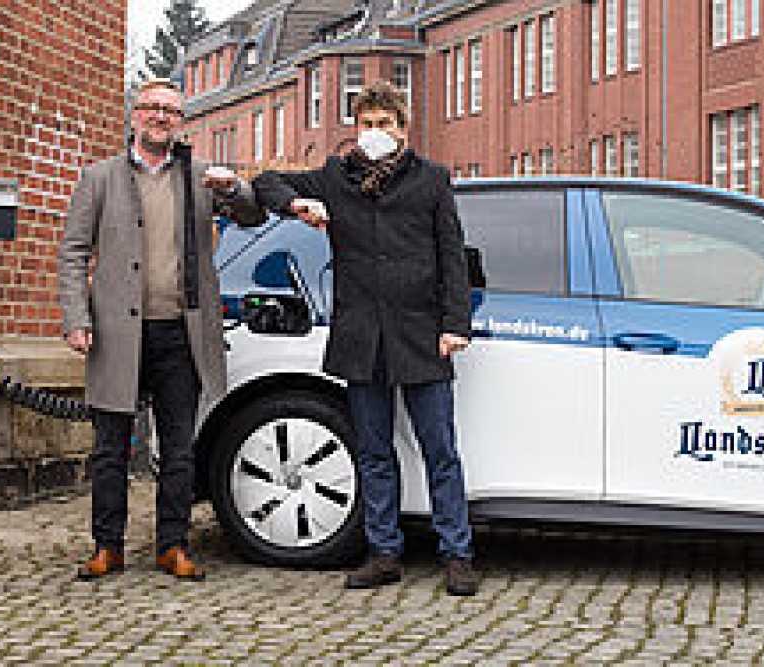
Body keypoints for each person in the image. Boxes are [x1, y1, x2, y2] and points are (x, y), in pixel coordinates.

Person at [253, 81, 479, 595]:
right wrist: (298, 207)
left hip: (422, 335)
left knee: (439, 449)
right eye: (367, 124)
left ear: (403, 129)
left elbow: (452, 259)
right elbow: (267, 183)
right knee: (374, 451)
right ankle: (384, 552)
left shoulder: (432, 181)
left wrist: (455, 325)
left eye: (384, 125)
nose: (374, 133)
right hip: (362, 336)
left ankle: (456, 553)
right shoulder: (337, 177)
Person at [58, 78, 263, 581]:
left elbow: (253, 213)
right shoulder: (99, 178)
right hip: (116, 334)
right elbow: (73, 253)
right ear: (133, 116)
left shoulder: (200, 177)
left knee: (179, 448)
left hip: (181, 333)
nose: (159, 117)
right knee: (110, 449)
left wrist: (234, 189)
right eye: (151, 108)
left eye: (170, 111)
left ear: (181, 122)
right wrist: (76, 318)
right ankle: (108, 546)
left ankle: (172, 544)